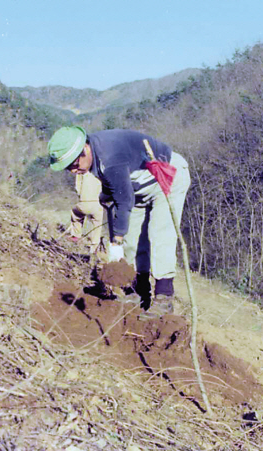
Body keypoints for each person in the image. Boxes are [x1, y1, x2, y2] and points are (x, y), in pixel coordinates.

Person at [48, 126, 190, 318]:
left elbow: (124, 200)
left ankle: (164, 298)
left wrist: (115, 240)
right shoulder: (94, 157)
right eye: (68, 168)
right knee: (132, 240)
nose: (73, 171)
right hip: (138, 188)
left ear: (84, 150)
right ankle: (139, 292)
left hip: (166, 176)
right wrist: (106, 195)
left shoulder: (109, 156)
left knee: (159, 235)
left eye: (73, 165)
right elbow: (115, 185)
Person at [67, 171, 104, 255]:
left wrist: (80, 196)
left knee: (75, 213)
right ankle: (94, 247)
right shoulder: (101, 169)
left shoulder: (82, 170)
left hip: (85, 201)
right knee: (97, 225)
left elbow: (77, 186)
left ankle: (76, 235)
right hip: (98, 203)